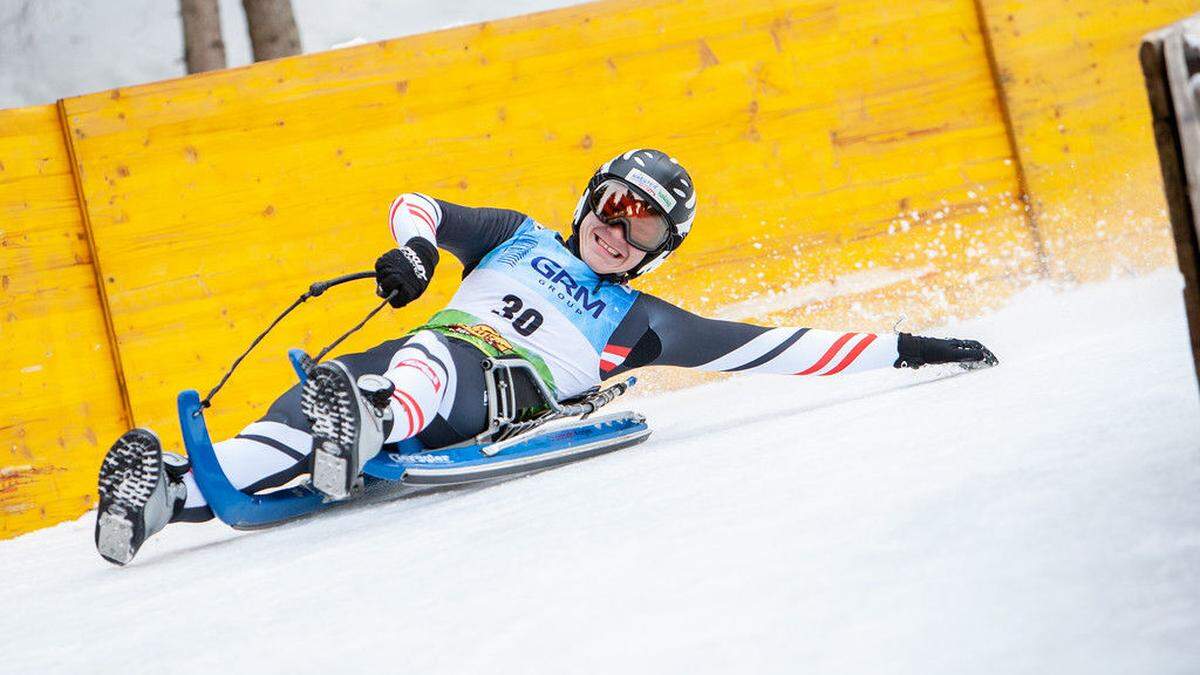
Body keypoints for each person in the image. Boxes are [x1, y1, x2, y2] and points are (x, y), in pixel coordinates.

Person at [94, 148, 997, 564]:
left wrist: (910, 350)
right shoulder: (517, 237)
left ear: (659, 249)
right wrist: (414, 255)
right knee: (312, 404)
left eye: (643, 225)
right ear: (587, 201)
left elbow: (780, 348)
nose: (618, 229)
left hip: (494, 387)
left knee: (419, 370)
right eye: (613, 204)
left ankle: (362, 425)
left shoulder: (644, 318)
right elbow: (418, 202)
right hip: (420, 350)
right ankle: (169, 492)